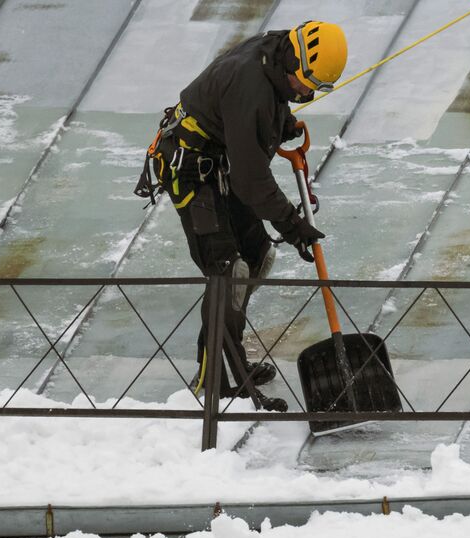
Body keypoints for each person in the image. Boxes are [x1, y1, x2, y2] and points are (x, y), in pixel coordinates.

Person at [135, 21, 346, 400]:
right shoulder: (252, 86)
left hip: (220, 161)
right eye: (306, 83)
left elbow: (263, 104)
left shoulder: (276, 54)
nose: (306, 92)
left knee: (258, 256)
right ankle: (211, 382)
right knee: (227, 271)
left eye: (317, 89)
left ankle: (232, 360)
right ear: (293, 59)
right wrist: (293, 224)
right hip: (189, 170)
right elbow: (251, 179)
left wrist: (280, 122)